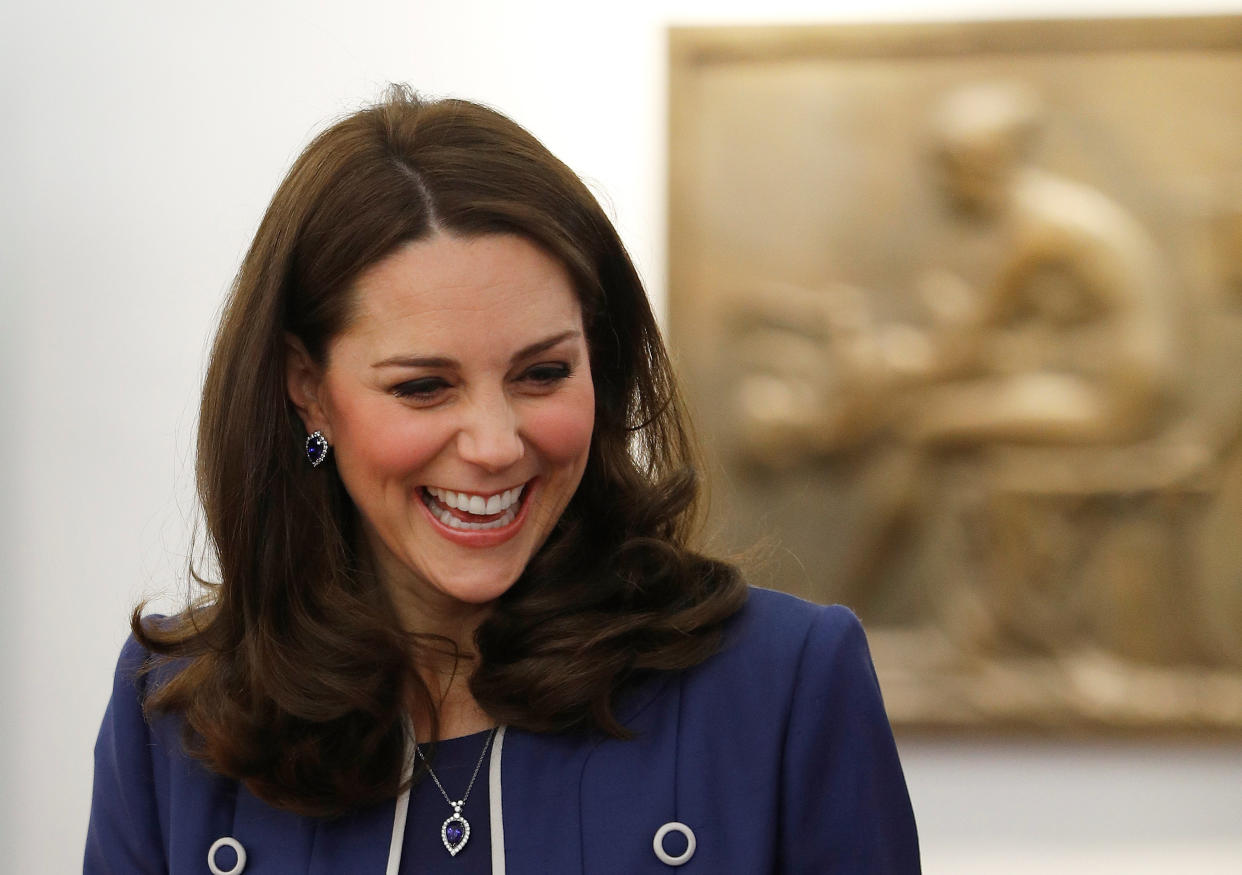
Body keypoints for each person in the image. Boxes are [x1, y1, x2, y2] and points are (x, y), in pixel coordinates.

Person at [85, 86, 919, 874]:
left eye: (542, 373)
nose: (492, 445)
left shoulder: (789, 681)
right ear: (308, 390)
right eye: (423, 386)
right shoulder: (174, 712)